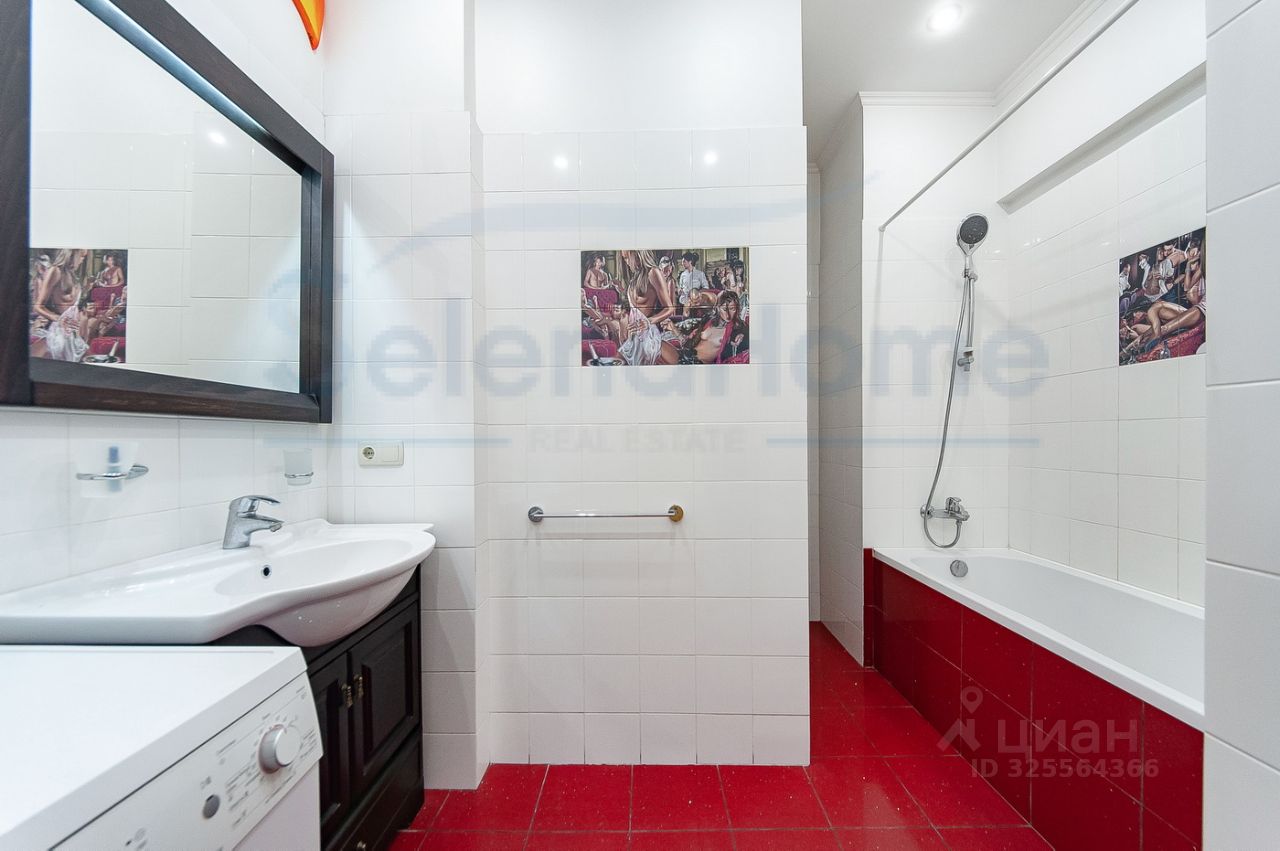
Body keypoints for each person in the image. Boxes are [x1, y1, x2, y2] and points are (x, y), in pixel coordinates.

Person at [619, 250, 681, 365]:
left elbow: (670, 308)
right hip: (633, 337)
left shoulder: (653, 272)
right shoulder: (635, 276)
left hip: (648, 336)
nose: (627, 262)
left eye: (628, 257)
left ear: (638, 253)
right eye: (624, 258)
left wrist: (648, 321)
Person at [680, 290, 749, 364]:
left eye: (732, 309)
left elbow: (748, 335)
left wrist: (742, 335)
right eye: (724, 309)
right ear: (718, 308)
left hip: (698, 363)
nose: (728, 315)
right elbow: (690, 339)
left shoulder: (739, 327)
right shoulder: (708, 319)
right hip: (686, 354)